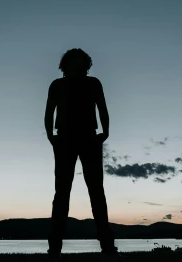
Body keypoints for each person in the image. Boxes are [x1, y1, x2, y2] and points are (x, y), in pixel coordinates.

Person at [45, 48, 119, 258]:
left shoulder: (93, 83)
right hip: (65, 138)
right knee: (62, 193)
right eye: (73, 61)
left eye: (81, 61)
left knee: (96, 191)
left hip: (89, 137)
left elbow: (102, 107)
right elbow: (49, 111)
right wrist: (52, 136)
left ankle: (107, 245)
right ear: (66, 64)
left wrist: (105, 131)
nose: (77, 65)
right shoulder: (57, 85)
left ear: (86, 64)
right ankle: (55, 247)